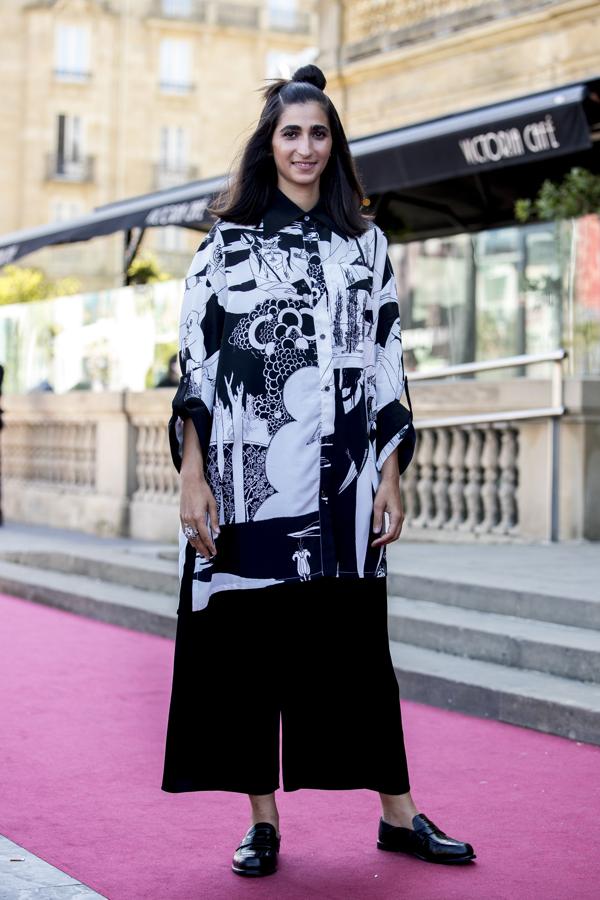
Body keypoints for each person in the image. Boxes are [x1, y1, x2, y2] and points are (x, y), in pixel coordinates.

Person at [161, 64, 475, 877]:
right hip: (247, 485)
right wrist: (192, 473)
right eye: (291, 133)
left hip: (342, 492)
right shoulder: (227, 244)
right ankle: (261, 823)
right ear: (269, 145)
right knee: (247, 657)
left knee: (358, 654)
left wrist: (391, 474)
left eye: (318, 134)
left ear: (335, 146)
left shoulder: (365, 244)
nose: (305, 147)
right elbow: (195, 365)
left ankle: (398, 815)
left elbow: (386, 361)